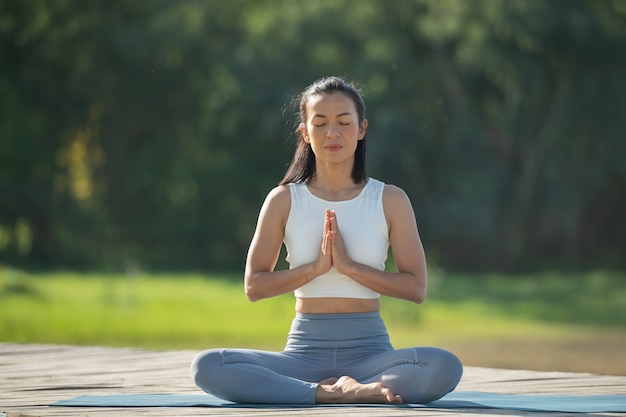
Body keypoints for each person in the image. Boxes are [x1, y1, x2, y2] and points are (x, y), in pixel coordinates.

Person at [190, 76, 463, 404]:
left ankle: (334, 391)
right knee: (209, 366)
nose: (332, 132)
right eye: (320, 123)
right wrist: (316, 268)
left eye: (343, 122)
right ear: (304, 132)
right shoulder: (283, 200)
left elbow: (415, 288)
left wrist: (349, 267)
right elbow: (255, 286)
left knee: (443, 366)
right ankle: (329, 393)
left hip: (372, 357)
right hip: (302, 356)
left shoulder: (389, 199)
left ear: (361, 129)